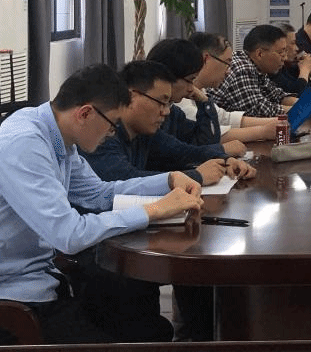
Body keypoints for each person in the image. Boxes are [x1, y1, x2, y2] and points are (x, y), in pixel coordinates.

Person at [0, 64, 202, 345]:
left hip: (46, 276)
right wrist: (153, 210)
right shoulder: (24, 144)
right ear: (85, 113)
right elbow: (69, 234)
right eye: (112, 124)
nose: (112, 133)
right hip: (16, 293)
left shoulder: (57, 135)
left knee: (145, 323)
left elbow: (99, 194)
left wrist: (167, 181)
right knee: (132, 330)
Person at [83, 60, 254, 186]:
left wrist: (225, 160)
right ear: (131, 96)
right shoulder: (103, 132)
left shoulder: (145, 131)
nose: (166, 111)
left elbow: (184, 152)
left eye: (168, 103)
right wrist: (196, 176)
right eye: (161, 102)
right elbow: (125, 180)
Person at [145, 38, 245, 156]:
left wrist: (204, 102)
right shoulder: (149, 114)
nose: (191, 89)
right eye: (190, 80)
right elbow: (173, 153)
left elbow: (206, 141)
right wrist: (221, 150)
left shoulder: (174, 113)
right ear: (167, 76)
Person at [186, 32, 279, 143]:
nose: (229, 71)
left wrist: (278, 122)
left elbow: (225, 118)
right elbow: (206, 134)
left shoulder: (200, 90)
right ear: (206, 59)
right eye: (226, 63)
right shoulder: (181, 96)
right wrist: (263, 131)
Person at [207, 25, 304, 117]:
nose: (285, 58)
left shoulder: (257, 68)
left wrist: (308, 103)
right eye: (280, 52)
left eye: (285, 51)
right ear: (260, 54)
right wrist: (302, 109)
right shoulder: (242, 69)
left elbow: (277, 96)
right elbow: (258, 110)